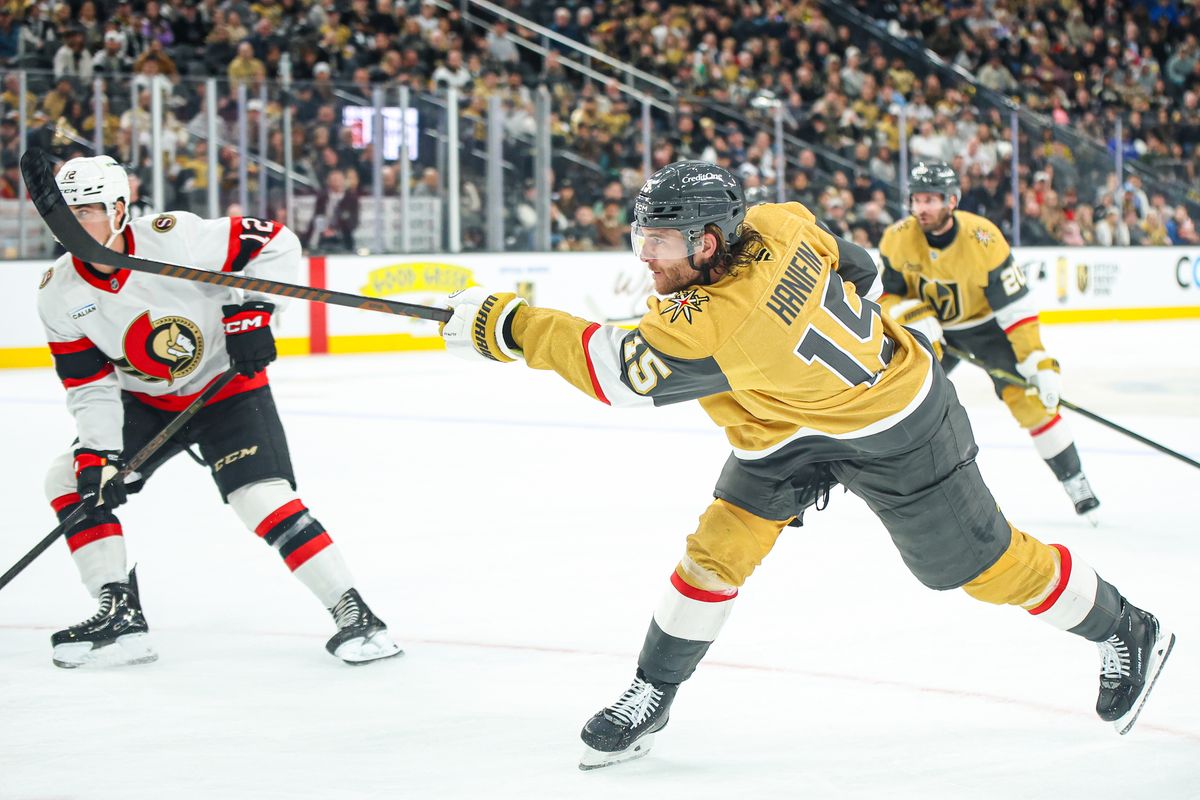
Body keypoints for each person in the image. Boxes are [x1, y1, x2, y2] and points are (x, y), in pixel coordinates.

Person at [438, 161, 1173, 769]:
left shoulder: (721, 320)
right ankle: (653, 691)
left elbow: (617, 372)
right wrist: (832, 350)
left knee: (979, 567)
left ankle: (1124, 626)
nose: (644, 255)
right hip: (788, 423)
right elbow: (864, 271)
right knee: (716, 550)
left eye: (658, 240)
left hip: (896, 424)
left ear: (708, 243)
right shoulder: (779, 221)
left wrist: (505, 324)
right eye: (642, 235)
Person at [37, 155, 401, 668]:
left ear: (118, 209)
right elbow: (89, 384)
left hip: (226, 389)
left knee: (260, 497)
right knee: (71, 479)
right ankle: (118, 611)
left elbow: (276, 241)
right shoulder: (57, 292)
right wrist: (98, 453)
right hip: (147, 403)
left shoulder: (175, 238)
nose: (71, 225)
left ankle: (354, 612)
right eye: (63, 213)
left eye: (86, 211)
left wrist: (254, 311)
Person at [878, 162, 1101, 522]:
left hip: (985, 328)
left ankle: (1075, 480)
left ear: (952, 201)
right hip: (932, 329)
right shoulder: (897, 238)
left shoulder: (983, 239)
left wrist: (1036, 360)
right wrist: (910, 313)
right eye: (917, 199)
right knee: (899, 393)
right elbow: (887, 296)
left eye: (931, 200)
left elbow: (1016, 310)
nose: (921, 208)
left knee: (1029, 401)